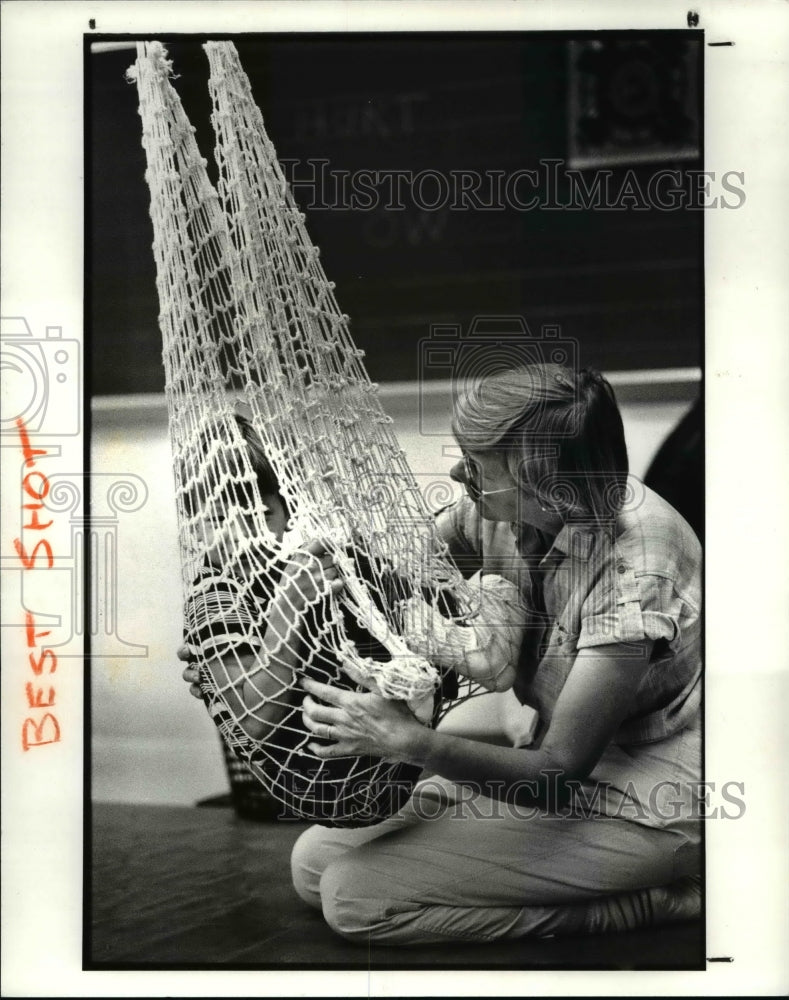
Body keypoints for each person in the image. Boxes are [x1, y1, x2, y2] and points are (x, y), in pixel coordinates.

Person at [283, 363, 702, 944]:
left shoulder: (638, 564)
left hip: (641, 798)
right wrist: (273, 609)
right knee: (312, 864)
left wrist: (412, 742)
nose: (458, 474)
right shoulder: (501, 508)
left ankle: (662, 899)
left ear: (544, 481)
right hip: (548, 769)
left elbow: (559, 771)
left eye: (477, 464)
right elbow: (386, 573)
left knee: (355, 899)